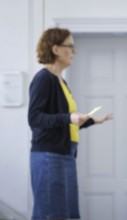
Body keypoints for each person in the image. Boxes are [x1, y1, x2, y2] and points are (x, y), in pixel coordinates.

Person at [28, 27, 113, 220]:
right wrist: (69, 118)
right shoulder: (43, 79)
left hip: (65, 156)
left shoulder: (61, 81)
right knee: (52, 215)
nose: (74, 52)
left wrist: (89, 121)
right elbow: (34, 118)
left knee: (69, 215)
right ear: (56, 49)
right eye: (70, 47)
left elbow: (63, 122)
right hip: (50, 158)